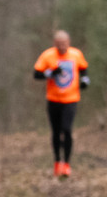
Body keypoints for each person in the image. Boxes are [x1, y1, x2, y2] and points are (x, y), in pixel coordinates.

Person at [33, 30, 89, 177]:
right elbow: (36, 74)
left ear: (69, 42)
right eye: (59, 44)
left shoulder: (76, 54)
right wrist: (50, 73)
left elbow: (84, 69)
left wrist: (84, 81)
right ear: (55, 44)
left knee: (67, 130)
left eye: (64, 44)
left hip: (71, 99)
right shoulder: (48, 55)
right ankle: (57, 161)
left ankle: (67, 164)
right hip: (53, 99)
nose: (62, 47)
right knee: (56, 132)